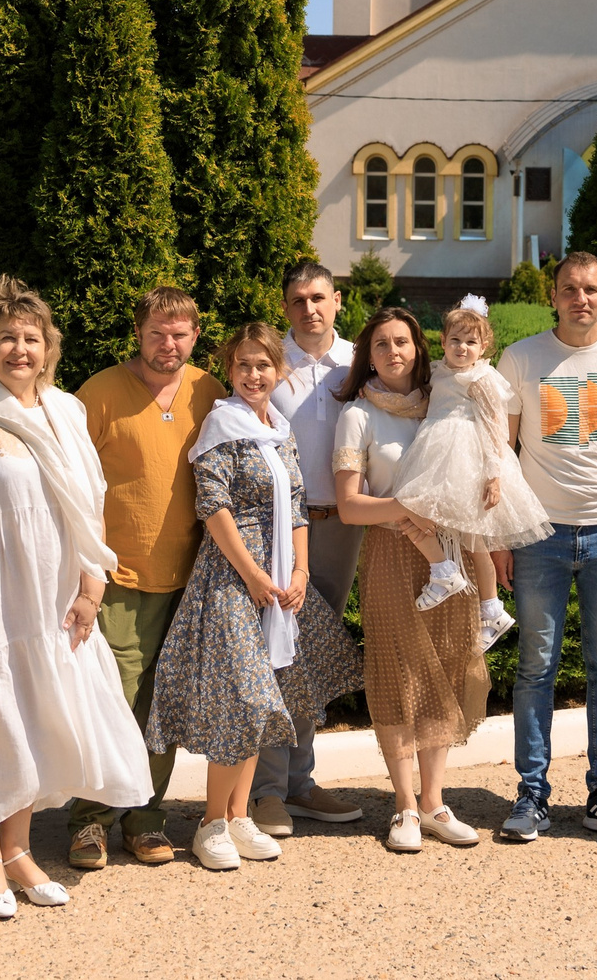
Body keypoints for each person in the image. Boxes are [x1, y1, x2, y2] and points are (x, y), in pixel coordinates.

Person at [0, 276, 152, 919]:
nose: (21, 349)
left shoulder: (68, 411)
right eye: (7, 338)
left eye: (32, 338)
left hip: (56, 606)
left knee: (34, 725)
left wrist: (92, 589)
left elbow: (91, 505)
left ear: (50, 348)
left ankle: (17, 850)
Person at [145, 323, 363, 871]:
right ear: (230, 369)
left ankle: (240, 815)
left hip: (281, 580)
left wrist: (301, 574)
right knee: (243, 698)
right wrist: (252, 576)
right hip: (232, 578)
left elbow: (295, 497)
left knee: (270, 697)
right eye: (243, 365)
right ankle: (210, 822)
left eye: (263, 365)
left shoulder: (279, 428)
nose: (253, 374)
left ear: (278, 370)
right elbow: (212, 506)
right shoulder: (223, 424)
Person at [492, 252, 597, 844]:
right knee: (536, 667)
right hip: (539, 534)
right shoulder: (521, 358)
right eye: (570, 289)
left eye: (591, 289)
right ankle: (532, 795)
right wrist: (501, 536)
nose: (580, 298)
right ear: (555, 296)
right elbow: (501, 455)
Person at [63, 286, 225, 869]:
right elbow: (72, 487)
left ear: (195, 335)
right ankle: (90, 821)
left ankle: (146, 816)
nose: (168, 344)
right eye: (157, 332)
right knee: (112, 698)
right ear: (138, 332)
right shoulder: (100, 394)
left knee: (161, 703)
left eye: (180, 333)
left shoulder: (211, 392)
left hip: (190, 579)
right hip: (115, 577)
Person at [332, 304, 489, 852]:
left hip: (449, 553)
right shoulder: (358, 415)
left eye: (402, 342)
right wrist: (407, 506)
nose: (393, 352)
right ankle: (402, 806)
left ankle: (434, 801)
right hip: (392, 554)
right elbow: (351, 506)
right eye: (381, 345)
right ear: (367, 355)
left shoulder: (442, 403)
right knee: (398, 675)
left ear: (419, 348)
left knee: (445, 669)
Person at [249, 262, 368, 837]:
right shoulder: (268, 368)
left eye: (318, 298)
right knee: (277, 650)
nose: (309, 309)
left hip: (342, 524)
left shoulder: (360, 361)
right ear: (285, 307)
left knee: (311, 655)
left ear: (338, 301)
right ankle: (267, 791)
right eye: (297, 300)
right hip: (280, 531)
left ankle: (300, 781)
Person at [389, 296, 551, 645]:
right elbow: (419, 402)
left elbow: (497, 426)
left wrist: (493, 474)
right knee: (417, 512)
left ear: (484, 347)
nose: (462, 347)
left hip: (468, 459)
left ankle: (481, 601)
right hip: (436, 453)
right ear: (443, 341)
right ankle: (460, 584)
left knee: (473, 536)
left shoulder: (482, 377)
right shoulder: (438, 371)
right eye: (455, 340)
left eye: (471, 342)